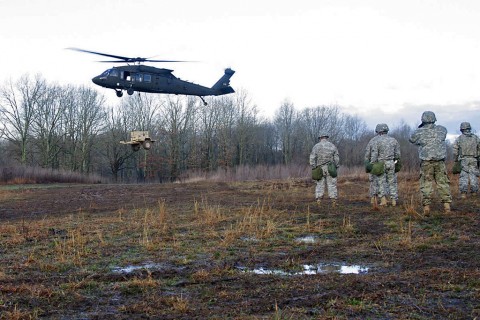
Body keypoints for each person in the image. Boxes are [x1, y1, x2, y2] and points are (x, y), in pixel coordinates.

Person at [409, 111, 452, 215]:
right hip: (440, 162)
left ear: (423, 119)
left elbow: (412, 139)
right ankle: (447, 206)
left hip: (426, 162)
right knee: (443, 183)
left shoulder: (419, 132)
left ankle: (426, 207)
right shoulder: (442, 129)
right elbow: (443, 136)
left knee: (426, 184)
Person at [368, 123, 401, 207]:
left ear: (378, 131)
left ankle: (383, 201)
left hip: (380, 163)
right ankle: (394, 201)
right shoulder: (394, 140)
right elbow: (397, 155)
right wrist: (395, 163)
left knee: (381, 182)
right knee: (392, 182)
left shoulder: (376, 141)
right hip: (391, 163)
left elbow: (374, 155)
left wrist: (372, 164)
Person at [309, 131, 340, 206]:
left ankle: (319, 201)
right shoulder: (332, 146)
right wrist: (336, 166)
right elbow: (336, 158)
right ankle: (334, 201)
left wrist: (314, 167)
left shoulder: (316, 146)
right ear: (326, 137)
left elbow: (312, 158)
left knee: (319, 184)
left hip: (319, 168)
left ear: (320, 138)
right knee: (332, 184)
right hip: (330, 167)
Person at [452, 122, 480, 198]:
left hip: (463, 159)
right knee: (473, 175)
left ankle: (463, 194)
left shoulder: (459, 139)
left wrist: (455, 160)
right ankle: (474, 192)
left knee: (463, 176)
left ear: (461, 129)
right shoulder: (476, 138)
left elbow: (455, 150)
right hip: (473, 159)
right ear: (469, 128)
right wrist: (477, 158)